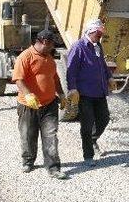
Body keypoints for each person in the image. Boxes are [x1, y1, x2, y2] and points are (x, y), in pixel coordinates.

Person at [12, 29, 68, 180]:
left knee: (51, 135)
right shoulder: (25, 56)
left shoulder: (49, 58)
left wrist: (61, 94)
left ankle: (53, 167)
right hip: (28, 105)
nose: (52, 48)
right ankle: (28, 161)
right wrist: (28, 94)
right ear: (44, 42)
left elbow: (55, 79)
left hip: (49, 104)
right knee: (28, 135)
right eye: (51, 45)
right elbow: (18, 79)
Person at [66, 19, 117, 167]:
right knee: (86, 125)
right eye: (98, 33)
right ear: (90, 31)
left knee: (104, 118)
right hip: (85, 93)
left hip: (99, 91)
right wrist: (72, 88)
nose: (100, 36)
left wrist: (110, 77)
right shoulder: (78, 47)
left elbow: (102, 64)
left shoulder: (97, 46)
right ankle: (88, 155)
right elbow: (71, 70)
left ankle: (93, 139)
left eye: (101, 33)